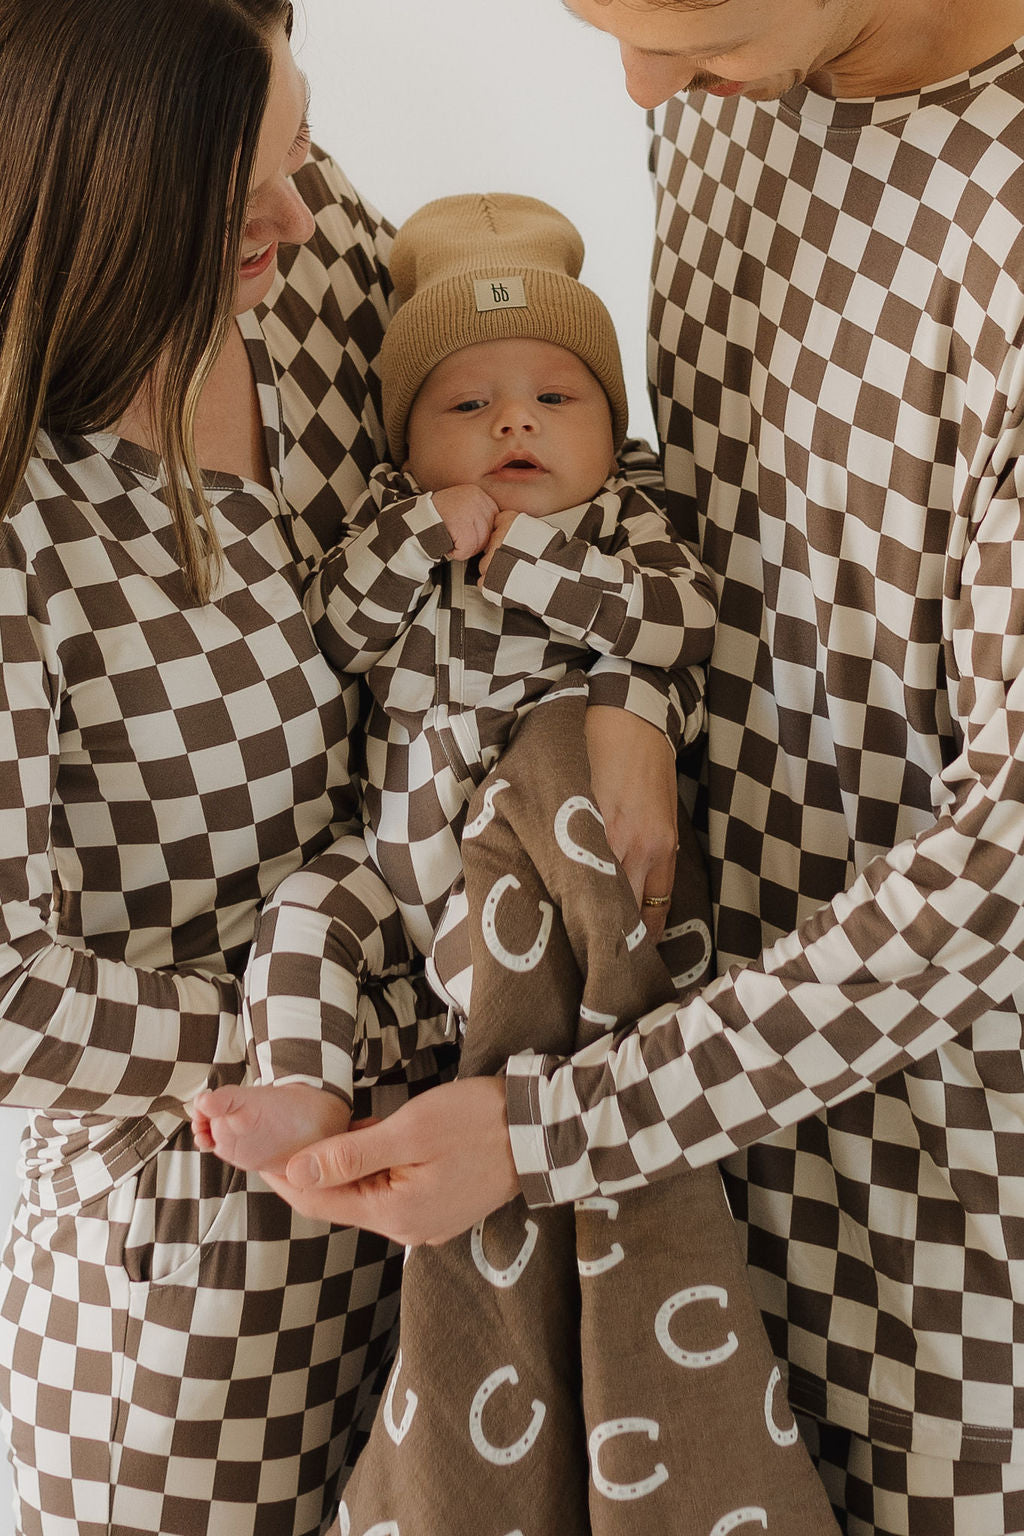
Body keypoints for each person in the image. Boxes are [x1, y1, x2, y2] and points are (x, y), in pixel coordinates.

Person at [264, 2, 1024, 1533]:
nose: (637, 87)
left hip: (936, 1208)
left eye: (688, 24)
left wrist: (557, 1129)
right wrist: (632, 695)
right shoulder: (729, 90)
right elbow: (711, 502)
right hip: (663, 1074)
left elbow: (1004, 867)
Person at [0, 5, 683, 1534]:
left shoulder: (298, 273)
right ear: (100, 189)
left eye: (297, 151)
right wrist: (335, 1039)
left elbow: (559, 427)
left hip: (452, 1225)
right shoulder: (25, 522)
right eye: (239, 193)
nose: (305, 217)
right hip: (187, 1295)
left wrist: (638, 694)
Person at [192, 190, 717, 1175]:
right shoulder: (395, 514)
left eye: (557, 400)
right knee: (306, 913)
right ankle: (304, 1085)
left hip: (527, 859)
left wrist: (530, 561)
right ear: (404, 443)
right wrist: (420, 533)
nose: (514, 418)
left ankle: (548, 1123)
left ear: (614, 428)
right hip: (391, 860)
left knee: (556, 990)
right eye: (468, 404)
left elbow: (683, 624)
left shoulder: (619, 516)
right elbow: (334, 636)